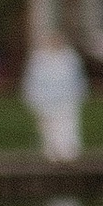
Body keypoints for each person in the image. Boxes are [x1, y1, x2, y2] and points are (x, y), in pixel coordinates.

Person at [21, 30, 86, 161]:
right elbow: (32, 80)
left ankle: (68, 153)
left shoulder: (69, 57)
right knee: (48, 127)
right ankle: (53, 153)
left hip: (67, 100)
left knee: (67, 126)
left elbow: (77, 79)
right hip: (45, 101)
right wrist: (32, 99)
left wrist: (78, 95)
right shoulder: (39, 58)